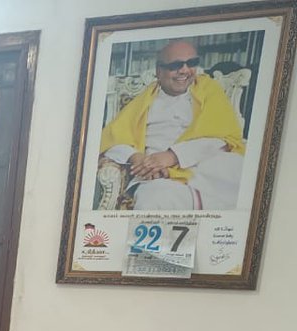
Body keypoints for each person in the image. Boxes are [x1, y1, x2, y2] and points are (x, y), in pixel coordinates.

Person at [98, 39, 246, 210]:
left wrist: (173, 156)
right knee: (155, 197)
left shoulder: (209, 89)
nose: (184, 70)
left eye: (191, 63)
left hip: (205, 167)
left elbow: (222, 137)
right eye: (176, 65)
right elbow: (113, 138)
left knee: (242, 171)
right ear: (159, 71)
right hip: (157, 172)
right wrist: (137, 158)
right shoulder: (145, 100)